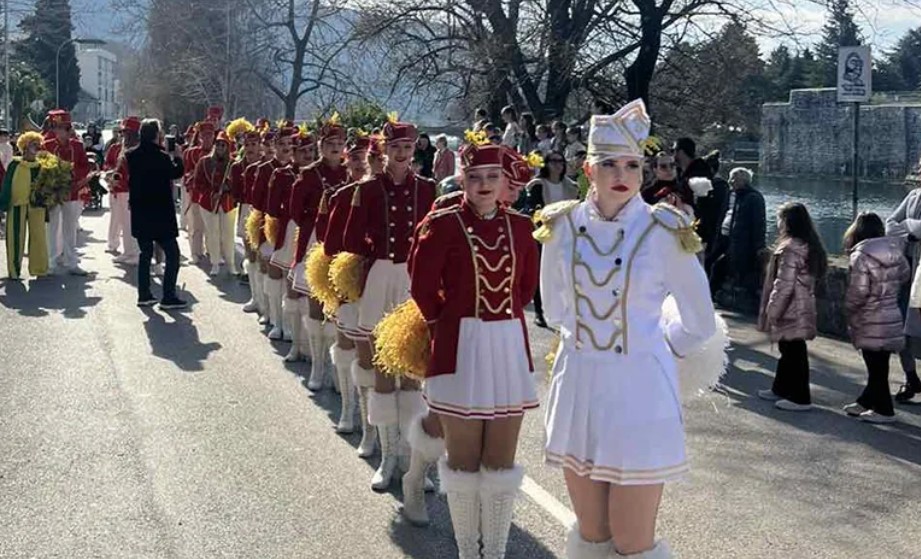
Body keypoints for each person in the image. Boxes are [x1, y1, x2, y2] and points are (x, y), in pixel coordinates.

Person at [539, 99, 716, 559]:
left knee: (633, 540)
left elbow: (699, 321)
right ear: (587, 169)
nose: (622, 174)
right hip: (578, 387)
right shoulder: (560, 226)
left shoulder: (664, 230)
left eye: (633, 165)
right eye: (610, 164)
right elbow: (555, 310)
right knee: (592, 534)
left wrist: (656, 348)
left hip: (640, 393)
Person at [407, 141, 538, 557]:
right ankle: (467, 550)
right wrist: (445, 325)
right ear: (462, 179)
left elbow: (526, 289)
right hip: (459, 346)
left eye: (492, 177)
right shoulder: (443, 224)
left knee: (500, 463)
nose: (484, 184)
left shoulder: (521, 227)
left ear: (503, 180)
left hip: (508, 347)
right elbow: (422, 285)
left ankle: (494, 552)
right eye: (475, 177)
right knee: (463, 463)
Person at [343, 118, 437, 491]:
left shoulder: (427, 188)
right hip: (380, 277)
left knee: (412, 373)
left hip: (414, 281)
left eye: (407, 147)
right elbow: (352, 237)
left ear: (414, 150)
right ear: (385, 149)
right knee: (383, 370)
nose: (401, 153)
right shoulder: (367, 189)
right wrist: (369, 256)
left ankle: (412, 460)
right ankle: (387, 458)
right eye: (395, 147)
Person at [757, 202, 827, 412]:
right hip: (799, 304)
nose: (778, 223)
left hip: (790, 307)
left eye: (780, 218)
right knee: (789, 349)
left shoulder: (790, 248)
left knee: (793, 351)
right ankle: (780, 388)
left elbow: (783, 284)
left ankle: (800, 397)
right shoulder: (806, 245)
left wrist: (773, 309)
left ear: (788, 222)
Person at [844, 212, 909, 424]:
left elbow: (858, 292)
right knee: (880, 364)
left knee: (874, 365)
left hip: (870, 316)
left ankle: (884, 410)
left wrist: (850, 310)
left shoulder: (860, 255)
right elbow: (905, 274)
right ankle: (865, 401)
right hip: (890, 313)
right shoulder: (894, 250)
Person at [126, 119, 186, 309]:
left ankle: (144, 294)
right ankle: (168, 295)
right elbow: (176, 173)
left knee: (145, 254)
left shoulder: (131, 155)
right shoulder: (161, 157)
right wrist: (178, 157)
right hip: (160, 213)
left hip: (140, 211)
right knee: (173, 254)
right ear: (156, 135)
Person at [42, 109, 91, 276]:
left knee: (70, 228)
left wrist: (73, 176)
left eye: (61, 127)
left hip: (72, 191)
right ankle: (51, 262)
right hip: (53, 193)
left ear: (68, 128)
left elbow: (85, 166)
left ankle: (71, 262)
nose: (58, 130)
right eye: (55, 127)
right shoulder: (47, 145)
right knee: (52, 227)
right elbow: (41, 167)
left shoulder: (77, 145)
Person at [709, 167, 766, 305]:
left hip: (742, 244)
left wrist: (758, 246)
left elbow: (758, 223)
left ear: (744, 181)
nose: (730, 181)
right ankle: (712, 297)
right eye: (730, 178)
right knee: (715, 265)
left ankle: (716, 298)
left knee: (721, 268)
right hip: (728, 240)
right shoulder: (735, 195)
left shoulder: (754, 198)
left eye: (734, 179)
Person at [885, 187, 921, 404]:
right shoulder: (915, 195)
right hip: (908, 273)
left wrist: (912, 227)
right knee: (901, 327)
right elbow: (890, 222)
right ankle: (911, 378)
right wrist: (908, 234)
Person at [0, 131, 48, 280]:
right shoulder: (14, 164)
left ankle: (39, 269)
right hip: (16, 205)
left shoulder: (42, 166)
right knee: (15, 238)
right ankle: (14, 271)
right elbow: (7, 184)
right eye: (33, 145)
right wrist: (3, 204)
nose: (37, 147)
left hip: (37, 206)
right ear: (25, 147)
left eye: (38, 145)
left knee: (39, 237)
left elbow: (47, 186)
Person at [194, 131, 238, 276]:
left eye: (223, 145)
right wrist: (211, 192)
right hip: (208, 203)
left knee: (228, 234)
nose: (220, 147)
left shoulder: (233, 163)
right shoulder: (204, 162)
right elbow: (198, 183)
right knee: (212, 233)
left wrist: (228, 187)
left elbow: (239, 184)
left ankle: (231, 264)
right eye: (218, 144)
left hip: (227, 204)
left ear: (228, 147)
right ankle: (215, 263)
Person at [233, 130, 265, 308]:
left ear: (260, 146)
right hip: (246, 209)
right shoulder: (237, 167)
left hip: (264, 212)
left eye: (254, 144)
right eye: (247, 145)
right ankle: (255, 297)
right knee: (250, 255)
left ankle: (267, 302)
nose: (250, 148)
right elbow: (236, 194)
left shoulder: (267, 166)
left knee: (264, 256)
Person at [104, 117, 142, 265]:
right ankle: (128, 252)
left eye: (126, 132)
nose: (123, 135)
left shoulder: (138, 149)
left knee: (131, 224)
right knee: (124, 223)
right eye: (123, 132)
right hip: (119, 190)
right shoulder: (122, 148)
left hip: (130, 191)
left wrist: (117, 178)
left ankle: (136, 253)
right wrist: (112, 176)